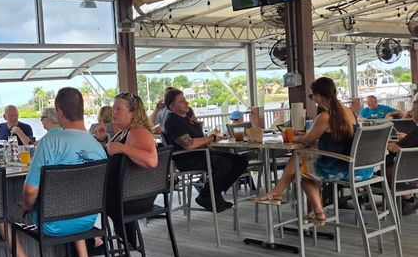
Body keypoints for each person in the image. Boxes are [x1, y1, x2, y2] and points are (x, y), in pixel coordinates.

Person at [0, 88, 107, 257]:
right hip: (88, 222)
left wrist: (25, 205)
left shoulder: (49, 143)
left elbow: (31, 191)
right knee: (74, 200)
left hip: (51, 224)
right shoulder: (98, 147)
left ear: (59, 113)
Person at [255, 77, 374, 225]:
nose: (313, 99)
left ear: (318, 96)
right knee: (303, 159)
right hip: (362, 168)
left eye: (313, 96)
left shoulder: (325, 116)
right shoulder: (348, 111)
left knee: (304, 172)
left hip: (342, 168)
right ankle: (281, 194)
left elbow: (307, 141)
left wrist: (293, 137)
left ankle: (316, 211)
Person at [163, 89, 248, 213]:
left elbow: (198, 138)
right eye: (182, 101)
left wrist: (198, 126)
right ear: (172, 106)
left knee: (240, 161)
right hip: (188, 159)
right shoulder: (172, 121)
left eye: (185, 99)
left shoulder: (187, 118)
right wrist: (211, 138)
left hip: (202, 154)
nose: (186, 103)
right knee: (225, 164)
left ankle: (215, 192)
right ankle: (206, 195)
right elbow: (188, 144)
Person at [102, 91, 158, 250]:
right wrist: (104, 140)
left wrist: (122, 147)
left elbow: (152, 160)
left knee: (81, 201)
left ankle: (91, 245)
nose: (113, 112)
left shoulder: (138, 131)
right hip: (126, 196)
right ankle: (125, 238)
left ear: (133, 113)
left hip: (132, 200)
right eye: (113, 108)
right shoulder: (123, 132)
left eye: (118, 109)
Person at [386, 96, 418, 213]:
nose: (410, 112)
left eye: (412, 108)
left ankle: (408, 200)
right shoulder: (415, 131)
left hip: (406, 170)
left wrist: (383, 144)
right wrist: (405, 138)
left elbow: (395, 148)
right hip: (413, 168)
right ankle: (406, 200)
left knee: (376, 171)